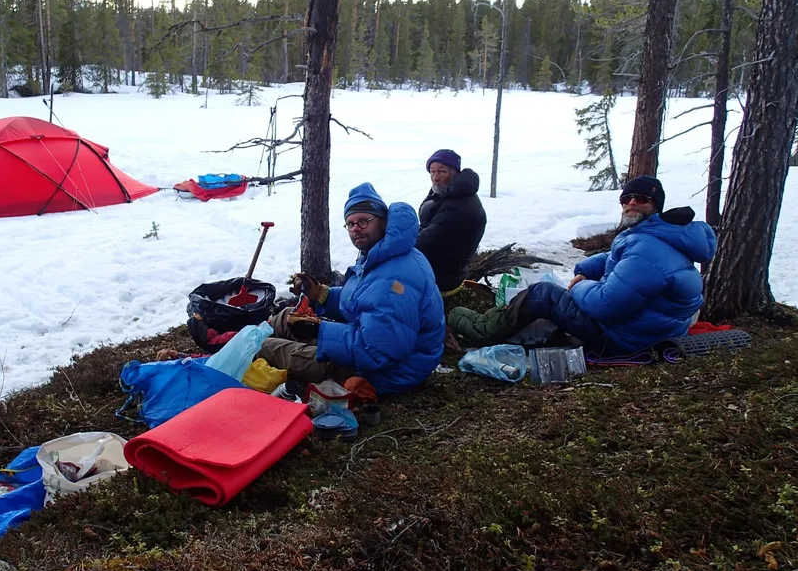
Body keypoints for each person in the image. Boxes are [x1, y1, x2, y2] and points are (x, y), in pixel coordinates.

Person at [448, 176, 717, 355]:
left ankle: (480, 328)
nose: (631, 203)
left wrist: (580, 284)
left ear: (656, 206)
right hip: (647, 330)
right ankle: (502, 318)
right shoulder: (663, 236)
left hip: (624, 340)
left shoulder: (647, 249)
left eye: (641, 199)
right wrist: (587, 267)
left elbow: (606, 305)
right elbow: (620, 260)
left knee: (544, 294)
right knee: (552, 294)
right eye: (626, 199)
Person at [258, 183, 445, 395]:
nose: (356, 229)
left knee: (268, 347)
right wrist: (322, 295)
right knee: (285, 317)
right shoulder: (384, 254)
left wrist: (318, 330)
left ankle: (246, 348)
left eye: (363, 221)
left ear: (383, 222)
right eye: (350, 223)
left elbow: (376, 351)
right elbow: (365, 300)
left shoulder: (394, 278)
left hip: (388, 372)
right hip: (377, 348)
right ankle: (243, 337)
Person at [415, 149, 487, 294]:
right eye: (432, 172)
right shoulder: (447, 192)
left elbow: (424, 243)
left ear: (455, 173)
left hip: (442, 279)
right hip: (437, 266)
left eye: (442, 172)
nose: (435, 177)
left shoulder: (459, 207)